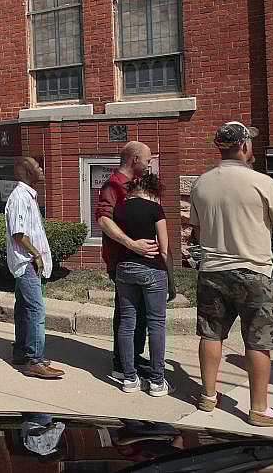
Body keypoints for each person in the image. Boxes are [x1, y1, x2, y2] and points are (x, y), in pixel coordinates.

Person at [189, 121, 273, 426]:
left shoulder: (201, 183)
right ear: (244, 145)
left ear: (219, 146)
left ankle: (207, 395)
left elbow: (196, 225)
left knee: (211, 333)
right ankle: (259, 409)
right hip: (254, 270)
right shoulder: (262, 182)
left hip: (213, 270)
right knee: (259, 341)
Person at [95, 141, 159, 383]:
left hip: (142, 261)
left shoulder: (135, 185)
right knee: (127, 313)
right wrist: (131, 244)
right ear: (135, 160)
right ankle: (121, 363)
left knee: (141, 312)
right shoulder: (113, 185)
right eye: (147, 160)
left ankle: (133, 355)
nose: (149, 164)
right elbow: (102, 219)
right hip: (123, 260)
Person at [112, 171, 174, 395]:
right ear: (152, 190)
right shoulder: (155, 209)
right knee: (156, 323)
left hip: (124, 268)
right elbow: (164, 248)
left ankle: (129, 378)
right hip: (152, 269)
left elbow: (115, 238)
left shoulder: (118, 209)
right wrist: (171, 278)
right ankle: (157, 381)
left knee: (127, 322)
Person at [4, 156, 65, 379]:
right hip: (25, 261)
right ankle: (35, 360)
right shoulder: (20, 197)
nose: (42, 169)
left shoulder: (28, 195)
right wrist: (36, 255)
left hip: (26, 260)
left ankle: (21, 352)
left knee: (23, 307)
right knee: (36, 309)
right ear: (28, 172)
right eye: (38, 166)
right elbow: (19, 234)